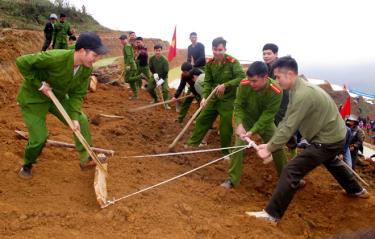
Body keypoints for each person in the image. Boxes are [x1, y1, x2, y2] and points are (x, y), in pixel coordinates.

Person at [248, 56, 369, 223]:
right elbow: (286, 120)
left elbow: (290, 125)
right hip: (333, 135)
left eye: (277, 77)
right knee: (331, 161)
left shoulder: (303, 94)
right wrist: (271, 144)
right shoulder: (296, 90)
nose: (275, 80)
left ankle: (271, 215)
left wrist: (269, 148)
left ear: (289, 74)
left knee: (291, 170)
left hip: (328, 139)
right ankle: (356, 190)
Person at [16, 32, 108, 179]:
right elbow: (21, 62)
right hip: (33, 98)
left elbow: (77, 94)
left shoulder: (86, 68)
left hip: (55, 97)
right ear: (82, 51)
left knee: (81, 119)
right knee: (40, 137)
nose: (96, 59)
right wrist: (39, 85)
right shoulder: (55, 57)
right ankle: (27, 164)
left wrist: (74, 117)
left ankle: (86, 158)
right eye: (94, 55)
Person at [220, 61, 288, 188]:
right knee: (238, 148)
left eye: (254, 81)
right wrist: (239, 124)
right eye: (249, 80)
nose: (251, 84)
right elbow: (238, 106)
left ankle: (286, 179)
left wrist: (254, 130)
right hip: (247, 120)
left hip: (266, 123)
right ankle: (232, 180)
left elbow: (268, 114)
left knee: (277, 146)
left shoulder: (276, 91)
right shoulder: (244, 84)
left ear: (265, 77)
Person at [186, 37, 246, 156]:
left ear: (224, 49)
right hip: (213, 98)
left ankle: (226, 152)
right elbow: (207, 82)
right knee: (202, 119)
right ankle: (192, 145)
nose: (217, 52)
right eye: (215, 49)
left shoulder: (232, 62)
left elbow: (241, 78)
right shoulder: (210, 64)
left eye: (220, 50)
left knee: (225, 127)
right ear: (212, 49)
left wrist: (226, 85)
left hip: (227, 100)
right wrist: (204, 97)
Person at [263, 43, 297, 157]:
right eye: (264, 53)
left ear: (276, 54)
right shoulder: (265, 67)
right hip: (272, 99)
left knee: (283, 125)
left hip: (284, 100)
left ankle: (292, 150)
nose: (266, 56)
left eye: (269, 53)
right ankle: (271, 150)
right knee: (271, 124)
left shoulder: (281, 66)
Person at [119, 34, 143, 100]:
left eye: (123, 40)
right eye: (121, 40)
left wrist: (128, 65)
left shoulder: (127, 46)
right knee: (131, 81)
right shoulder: (128, 46)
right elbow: (132, 56)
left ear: (126, 39)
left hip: (130, 66)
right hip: (132, 65)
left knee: (127, 79)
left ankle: (140, 76)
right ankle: (135, 95)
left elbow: (129, 56)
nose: (121, 41)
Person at [148, 44, 170, 108]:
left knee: (166, 89)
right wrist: (155, 77)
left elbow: (165, 72)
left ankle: (166, 103)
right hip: (155, 75)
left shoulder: (165, 60)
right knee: (150, 88)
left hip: (163, 77)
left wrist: (159, 82)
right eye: (156, 50)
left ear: (161, 51)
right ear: (154, 51)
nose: (157, 52)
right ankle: (155, 99)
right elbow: (151, 68)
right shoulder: (151, 58)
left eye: (159, 50)